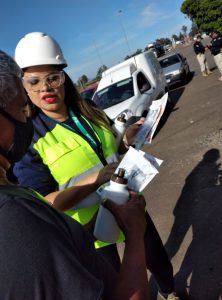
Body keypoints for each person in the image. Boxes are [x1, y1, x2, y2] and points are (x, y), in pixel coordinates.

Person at [14, 32, 179, 300]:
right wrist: (95, 178)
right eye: (34, 81)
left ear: (63, 79)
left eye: (52, 78)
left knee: (157, 260)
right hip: (90, 229)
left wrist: (125, 139)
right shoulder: (29, 139)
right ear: (24, 86)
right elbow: (48, 202)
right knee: (120, 288)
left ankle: (170, 292)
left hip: (127, 202)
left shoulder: (88, 108)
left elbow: (113, 152)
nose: (45, 88)